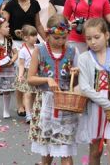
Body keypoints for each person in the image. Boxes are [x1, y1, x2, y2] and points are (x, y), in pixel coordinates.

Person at [28, 14, 79, 165]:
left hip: (65, 104)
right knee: (47, 152)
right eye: (56, 38)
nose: (61, 41)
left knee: (66, 151)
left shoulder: (72, 51)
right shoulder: (40, 50)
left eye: (64, 37)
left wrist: (76, 74)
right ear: (48, 34)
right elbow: (30, 78)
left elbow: (76, 82)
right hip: (45, 103)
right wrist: (46, 79)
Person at [77, 18, 110, 165]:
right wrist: (107, 104)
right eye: (88, 39)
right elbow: (85, 87)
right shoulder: (84, 58)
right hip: (94, 109)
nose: (92, 42)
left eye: (96, 37)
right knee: (95, 151)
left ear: (107, 35)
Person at [3, 0, 46, 116]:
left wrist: (46, 40)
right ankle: (20, 104)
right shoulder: (10, 5)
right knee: (19, 73)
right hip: (16, 42)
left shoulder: (34, 4)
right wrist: (6, 40)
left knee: (33, 71)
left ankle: (31, 103)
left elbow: (38, 24)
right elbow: (4, 24)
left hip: (33, 42)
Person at [15, 25, 38, 124]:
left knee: (34, 94)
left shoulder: (38, 48)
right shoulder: (23, 50)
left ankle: (33, 111)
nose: (35, 37)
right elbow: (21, 64)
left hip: (36, 73)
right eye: (33, 36)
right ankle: (28, 114)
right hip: (27, 73)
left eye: (36, 35)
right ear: (26, 38)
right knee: (27, 94)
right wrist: (20, 75)